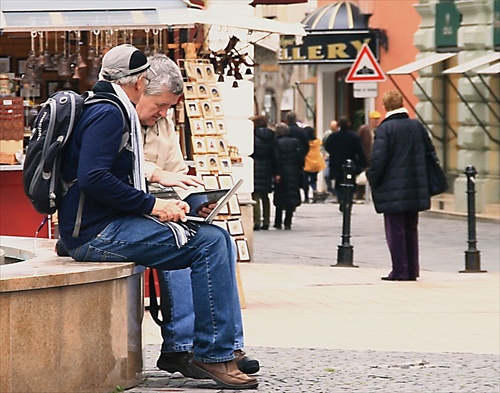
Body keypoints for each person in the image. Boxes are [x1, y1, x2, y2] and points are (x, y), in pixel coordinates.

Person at [58, 44, 258, 390]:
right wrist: (152, 206)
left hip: (101, 226)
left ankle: (214, 349)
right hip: (96, 233)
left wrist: (181, 205)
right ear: (138, 82)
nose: (163, 111)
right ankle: (212, 354)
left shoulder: (108, 107)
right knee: (209, 243)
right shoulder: (109, 113)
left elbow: (105, 177)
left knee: (212, 238)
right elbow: (94, 177)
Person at [136, 54, 259, 379]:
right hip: (135, 211)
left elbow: (177, 170)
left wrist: (197, 201)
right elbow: (120, 168)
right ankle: (181, 346)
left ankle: (227, 345)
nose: (163, 113)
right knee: (184, 249)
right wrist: (158, 176)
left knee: (221, 243)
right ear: (141, 90)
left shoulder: (162, 123)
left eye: (169, 107)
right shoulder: (118, 118)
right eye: (160, 105)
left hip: (166, 209)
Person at [367, 90, 433, 282]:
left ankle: (400, 270)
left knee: (395, 229)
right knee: (411, 228)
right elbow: (429, 153)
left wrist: (372, 178)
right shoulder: (416, 126)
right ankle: (412, 269)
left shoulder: (385, 130)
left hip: (393, 187)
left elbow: (379, 160)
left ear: (386, 107)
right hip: (416, 184)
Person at [323, 116, 367, 210]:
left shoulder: (333, 136)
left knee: (339, 183)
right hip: (351, 164)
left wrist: (334, 153)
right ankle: (348, 200)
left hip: (337, 164)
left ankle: (341, 198)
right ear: (349, 124)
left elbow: (327, 146)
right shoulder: (354, 137)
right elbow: (360, 151)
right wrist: (363, 163)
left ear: (338, 125)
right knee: (350, 184)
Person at [273, 122, 302, 230]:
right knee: (291, 197)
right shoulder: (295, 142)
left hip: (281, 173)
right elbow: (300, 157)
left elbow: (276, 158)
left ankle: (278, 221)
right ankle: (288, 222)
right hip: (293, 171)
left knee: (280, 197)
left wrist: (277, 172)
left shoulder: (276, 142)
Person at [251, 115, 275, 231]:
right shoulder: (272, 135)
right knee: (265, 196)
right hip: (268, 167)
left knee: (255, 195)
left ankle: (257, 221)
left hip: (255, 167)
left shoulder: (253, 135)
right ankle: (266, 221)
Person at [356, 110, 381, 200]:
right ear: (370, 119)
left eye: (378, 119)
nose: (376, 121)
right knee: (362, 178)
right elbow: (358, 141)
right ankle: (360, 195)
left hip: (376, 156)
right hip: (366, 156)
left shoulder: (380, 130)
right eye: (374, 119)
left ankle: (373, 195)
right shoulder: (364, 129)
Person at [285, 111, 310, 202]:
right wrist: (303, 154)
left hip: (286, 158)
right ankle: (305, 195)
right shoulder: (301, 131)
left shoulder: (285, 130)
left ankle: (289, 198)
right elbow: (307, 145)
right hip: (299, 158)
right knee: (302, 176)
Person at [303, 126, 326, 203]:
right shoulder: (318, 142)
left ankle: (306, 197)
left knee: (305, 181)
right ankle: (314, 190)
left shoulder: (306, 143)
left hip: (307, 163)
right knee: (313, 180)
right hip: (316, 163)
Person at [321, 120, 338, 195]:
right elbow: (322, 145)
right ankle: (330, 188)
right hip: (328, 156)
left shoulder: (339, 134)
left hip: (337, 157)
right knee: (327, 174)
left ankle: (337, 191)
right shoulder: (327, 134)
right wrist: (324, 153)